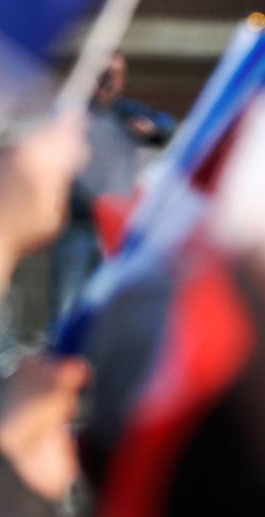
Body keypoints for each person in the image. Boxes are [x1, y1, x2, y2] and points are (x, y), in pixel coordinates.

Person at [51, 53, 176, 319]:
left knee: (109, 308)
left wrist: (150, 128)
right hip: (76, 224)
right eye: (101, 73)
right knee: (66, 307)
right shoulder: (73, 112)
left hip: (114, 230)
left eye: (114, 74)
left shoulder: (127, 113)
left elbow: (165, 129)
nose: (107, 81)